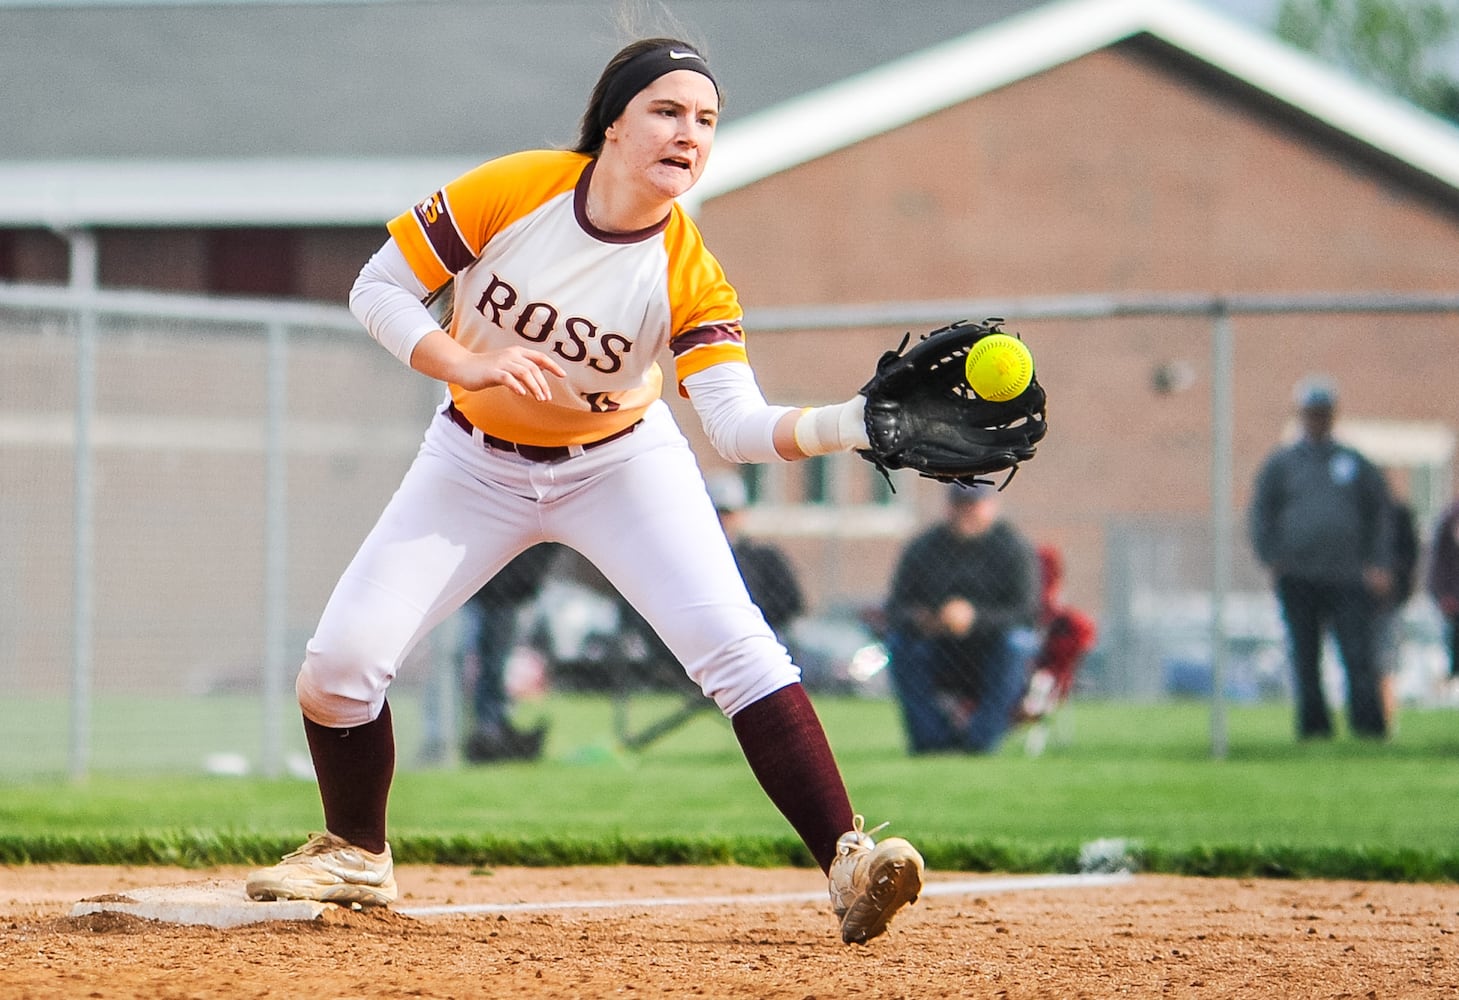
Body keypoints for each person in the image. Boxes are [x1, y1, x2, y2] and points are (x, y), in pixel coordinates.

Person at [244, 37, 922, 945]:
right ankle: (358, 853)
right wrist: (466, 362)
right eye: (668, 111)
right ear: (613, 124)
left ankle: (847, 859)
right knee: (336, 670)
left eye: (707, 121)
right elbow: (381, 289)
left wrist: (848, 423)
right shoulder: (518, 189)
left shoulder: (687, 270)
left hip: (620, 465)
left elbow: (733, 426)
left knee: (737, 647)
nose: (690, 133)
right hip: (470, 461)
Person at [1247, 375, 1393, 740]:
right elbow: (1261, 513)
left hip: (1348, 576)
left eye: (1323, 412)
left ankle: (1368, 727)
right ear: (1301, 415)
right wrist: (1272, 556)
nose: (1317, 419)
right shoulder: (1282, 464)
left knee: (1358, 655)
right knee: (1305, 656)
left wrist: (1379, 562)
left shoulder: (1354, 463)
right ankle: (1314, 728)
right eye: (1311, 413)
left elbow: (1380, 515)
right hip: (1298, 576)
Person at [883, 482, 1040, 755]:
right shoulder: (925, 547)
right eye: (960, 504)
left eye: (974, 505)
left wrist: (974, 618)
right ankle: (931, 741)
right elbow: (896, 608)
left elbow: (1026, 611)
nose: (966, 512)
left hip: (993, 649)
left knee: (1017, 643)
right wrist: (926, 621)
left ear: (991, 506)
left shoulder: (1013, 548)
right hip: (940, 647)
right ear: (949, 507)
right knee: (900, 645)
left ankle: (980, 742)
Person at [446, 544, 558, 764]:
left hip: (507, 590)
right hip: (498, 591)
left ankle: (495, 727)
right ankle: (489, 731)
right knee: (493, 666)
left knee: (496, 665)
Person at [705, 471, 805, 643]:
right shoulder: (701, 560)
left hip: (761, 636)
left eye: (728, 513)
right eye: (718, 512)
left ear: (741, 514)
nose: (723, 519)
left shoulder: (763, 559)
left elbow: (792, 603)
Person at [1373, 492, 1418, 727]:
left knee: (1385, 663)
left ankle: (1386, 720)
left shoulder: (1398, 514)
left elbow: (1409, 558)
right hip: (1355, 602)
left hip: (1388, 603)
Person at [1427, 498, 1459, 684]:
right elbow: (1439, 562)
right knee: (1452, 646)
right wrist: (1442, 594)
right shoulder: (1449, 518)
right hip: (1452, 600)